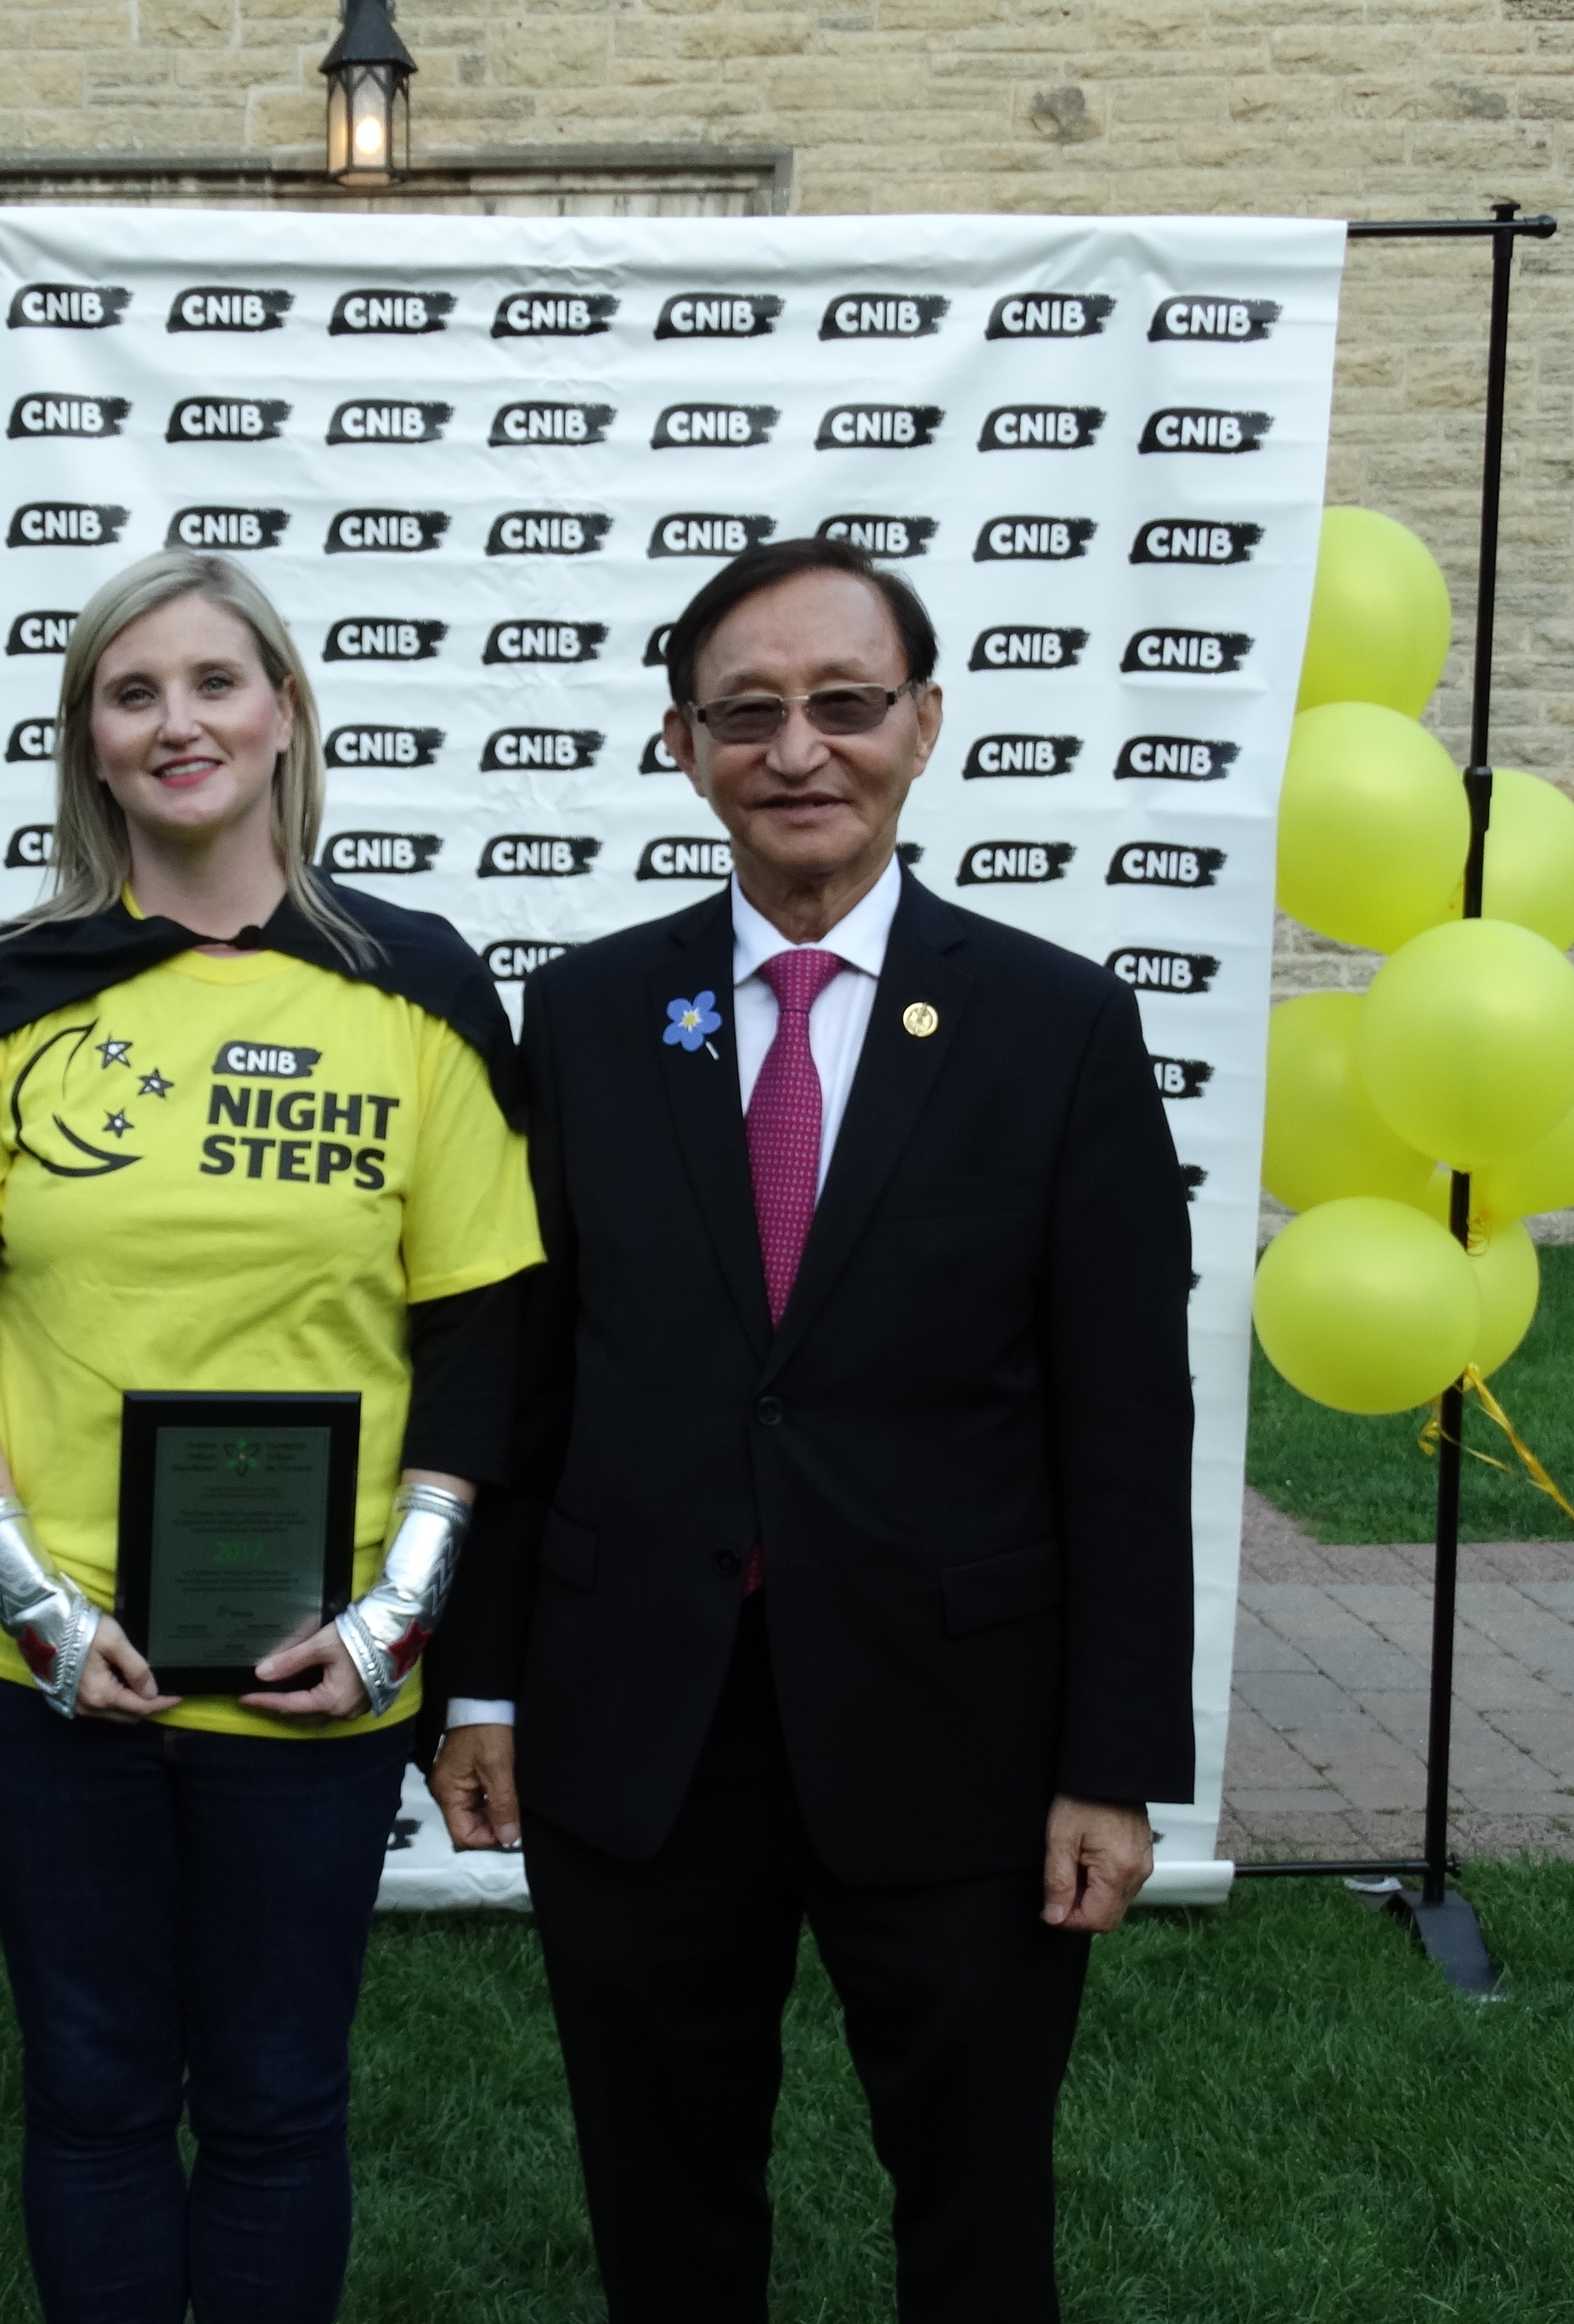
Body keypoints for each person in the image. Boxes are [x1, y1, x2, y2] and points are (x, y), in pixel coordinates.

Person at [429, 536, 1195, 2322]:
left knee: (976, 2198)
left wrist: (1112, 1760)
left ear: (924, 724)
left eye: (845, 705)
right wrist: (485, 1687)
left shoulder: (1057, 1026)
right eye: (746, 713)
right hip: (643, 1719)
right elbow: (533, 1378)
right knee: (665, 2198)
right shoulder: (589, 1014)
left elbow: (1122, 1424)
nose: (798, 751)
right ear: (682, 745)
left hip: (961, 1732)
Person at [0, 549, 541, 2324]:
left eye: (216, 682)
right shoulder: (5, 997)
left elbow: (481, 1332)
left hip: (323, 1666)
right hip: (50, 1667)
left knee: (277, 2101)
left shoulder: (416, 989)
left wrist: (400, 1614)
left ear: (286, 712)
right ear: (88, 738)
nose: (179, 723)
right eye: (132, 691)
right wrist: (29, 1597)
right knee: (90, 2092)